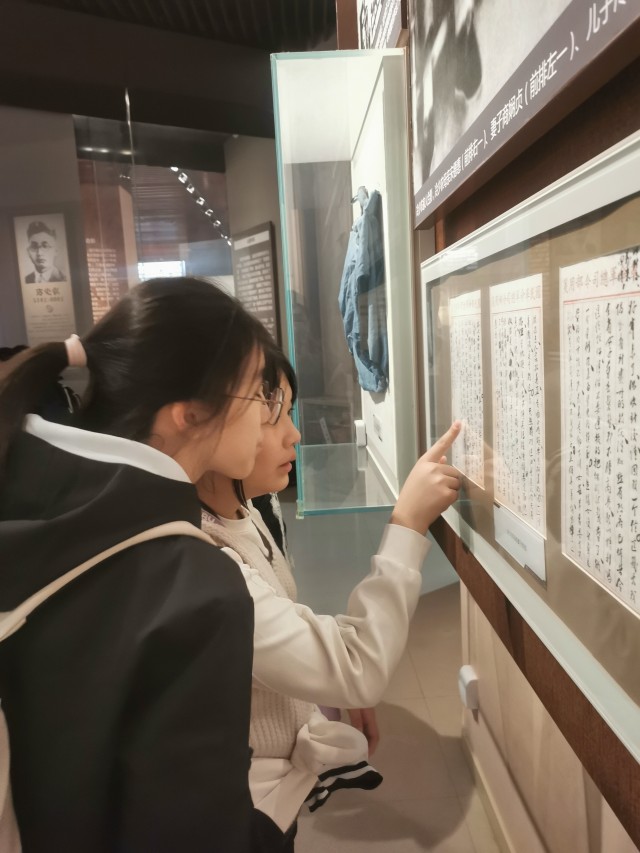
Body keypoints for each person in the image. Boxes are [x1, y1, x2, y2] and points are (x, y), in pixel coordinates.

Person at [0, 277, 279, 853]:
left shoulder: (26, 493)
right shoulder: (193, 587)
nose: (269, 419)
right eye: (260, 394)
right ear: (189, 414)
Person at [197, 346, 461, 850]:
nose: (293, 434)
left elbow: (275, 625)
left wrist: (321, 683)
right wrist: (408, 523)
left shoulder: (247, 509)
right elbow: (358, 667)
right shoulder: (205, 558)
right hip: (241, 812)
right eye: (272, 412)